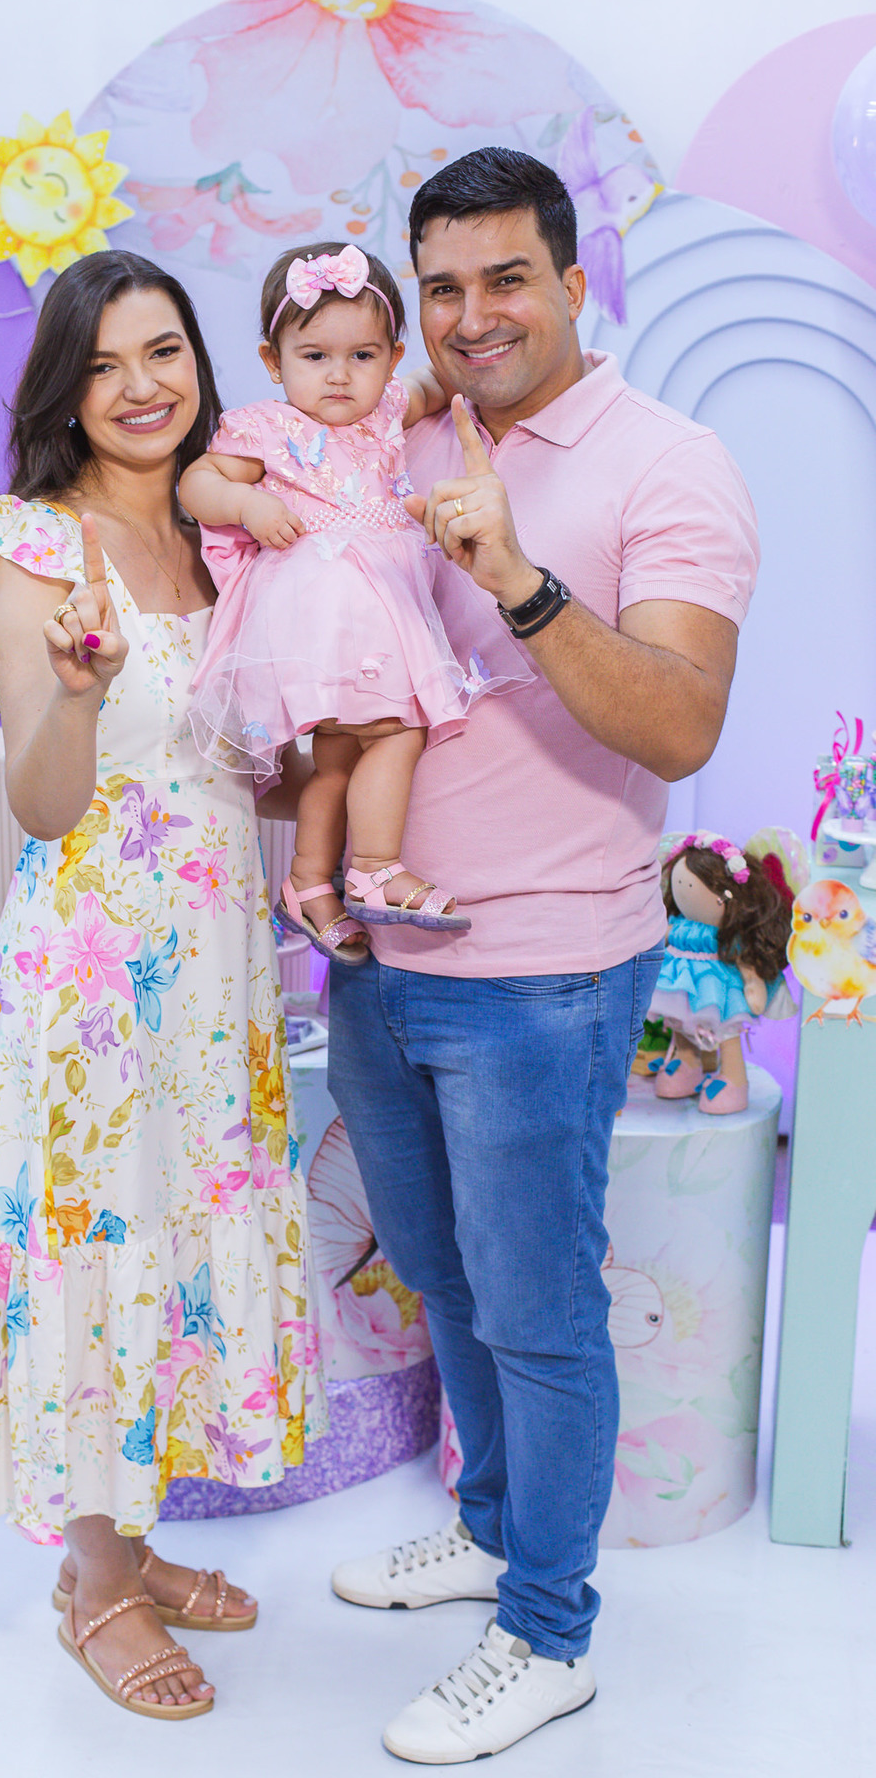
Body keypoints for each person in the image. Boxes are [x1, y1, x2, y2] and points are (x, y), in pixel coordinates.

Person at [325, 148, 758, 1763]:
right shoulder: (402, 434)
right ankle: (494, 1525)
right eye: (441, 287)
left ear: (574, 283)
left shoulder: (672, 464)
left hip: (544, 974)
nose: (471, 316)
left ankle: (550, 1632)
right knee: (439, 1272)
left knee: (538, 1310)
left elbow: (682, 719)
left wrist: (516, 578)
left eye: (507, 279)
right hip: (380, 956)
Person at [0, 250, 324, 1722]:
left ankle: (134, 1537)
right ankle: (94, 1579)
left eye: (162, 352)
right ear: (64, 390)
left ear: (198, 365)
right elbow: (43, 803)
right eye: (102, 364)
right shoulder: (38, 544)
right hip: (95, 979)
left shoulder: (224, 536)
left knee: (177, 1222)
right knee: (100, 1235)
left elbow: (238, 770)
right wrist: (82, 698)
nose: (140, 386)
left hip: (217, 970)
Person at [179, 241, 527, 964]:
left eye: (362, 356)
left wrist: (502, 368)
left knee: (336, 757)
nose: (339, 375)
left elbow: (441, 380)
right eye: (314, 357)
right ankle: (373, 865)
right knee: (396, 732)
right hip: (316, 612)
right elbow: (197, 484)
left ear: (391, 358)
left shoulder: (387, 410)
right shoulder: (267, 428)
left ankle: (308, 882)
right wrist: (245, 504)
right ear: (273, 361)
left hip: (378, 606)